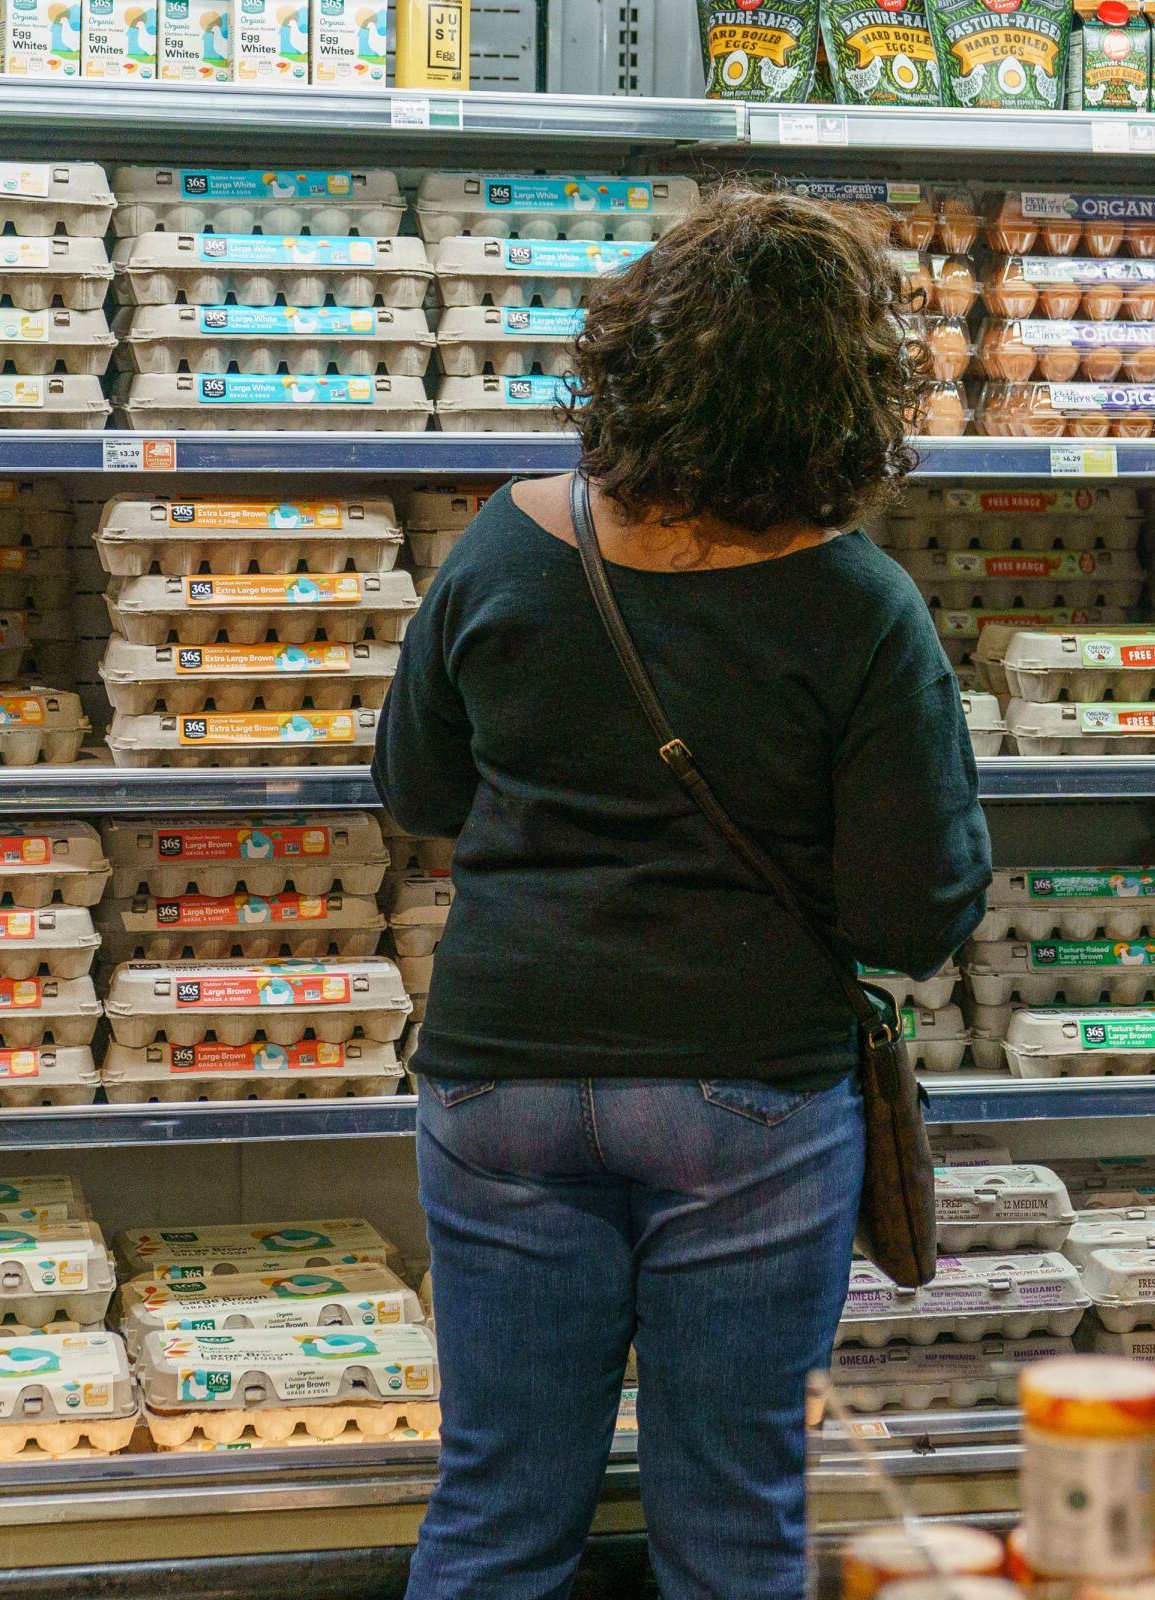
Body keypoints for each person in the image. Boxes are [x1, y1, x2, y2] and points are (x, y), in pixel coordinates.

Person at [373, 186, 993, 1600]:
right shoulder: (859, 604)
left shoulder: (508, 543)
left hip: (501, 1074)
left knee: (496, 1505)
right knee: (729, 1519)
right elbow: (915, 909)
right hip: (749, 1092)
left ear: (630, 355)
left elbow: (418, 789)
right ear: (845, 393)